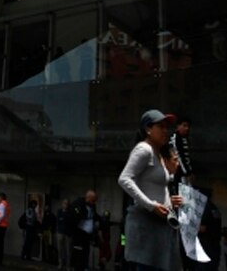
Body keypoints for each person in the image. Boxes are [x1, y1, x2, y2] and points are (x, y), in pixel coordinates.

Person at [117, 109, 183, 271]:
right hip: (147, 226)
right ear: (148, 129)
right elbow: (124, 179)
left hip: (160, 226)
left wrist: (169, 201)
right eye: (160, 126)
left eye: (166, 127)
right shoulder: (144, 149)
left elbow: (154, 186)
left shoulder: (158, 154)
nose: (165, 131)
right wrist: (151, 205)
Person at [71, 190, 101, 271]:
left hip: (87, 235)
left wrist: (99, 221)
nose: (93, 202)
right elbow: (73, 214)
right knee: (79, 255)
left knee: (85, 253)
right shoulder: (79, 203)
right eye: (92, 200)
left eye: (94, 201)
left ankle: (84, 267)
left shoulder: (93, 206)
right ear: (88, 198)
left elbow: (94, 215)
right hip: (79, 234)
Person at [57, 198, 75, 270]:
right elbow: (59, 220)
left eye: (67, 203)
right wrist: (65, 219)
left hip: (68, 234)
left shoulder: (71, 212)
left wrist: (64, 218)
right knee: (60, 249)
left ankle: (68, 266)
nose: (65, 205)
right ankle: (60, 264)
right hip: (60, 232)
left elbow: (71, 221)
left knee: (68, 250)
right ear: (62, 204)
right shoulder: (59, 211)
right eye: (64, 203)